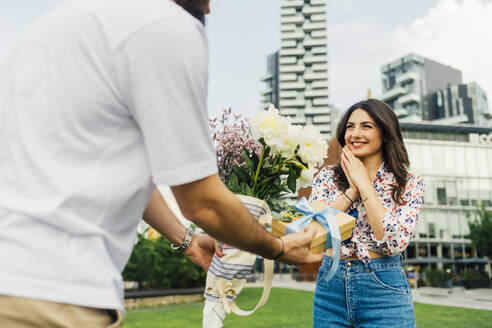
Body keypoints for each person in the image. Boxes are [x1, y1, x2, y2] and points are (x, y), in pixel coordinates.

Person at [0, 0, 323, 326]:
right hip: (53, 293)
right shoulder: (167, 26)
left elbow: (126, 175)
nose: (208, 10)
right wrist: (278, 248)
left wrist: (189, 243)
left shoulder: (52, 28)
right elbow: (202, 202)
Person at [309, 99, 425, 328]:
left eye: (366, 126)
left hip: (383, 289)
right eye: (350, 127)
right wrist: (351, 192)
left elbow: (392, 241)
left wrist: (365, 185)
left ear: (386, 134)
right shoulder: (327, 177)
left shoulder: (409, 183)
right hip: (330, 287)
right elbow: (313, 234)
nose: (354, 134)